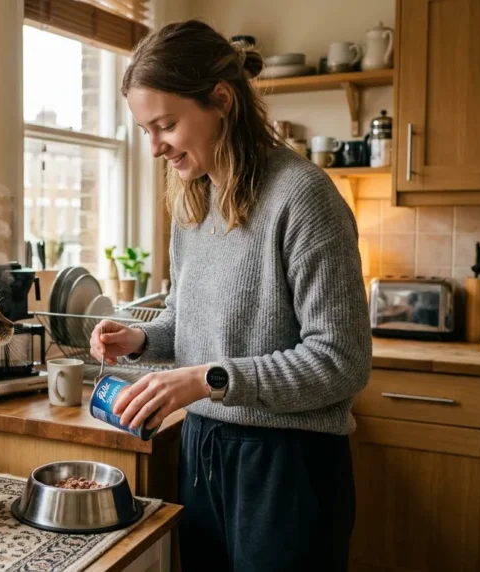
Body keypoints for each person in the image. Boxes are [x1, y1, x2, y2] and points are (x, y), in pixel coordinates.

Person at [89, 20, 371, 571]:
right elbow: (189, 319)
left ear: (221, 100)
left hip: (288, 468)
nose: (154, 149)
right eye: (146, 130)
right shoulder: (194, 202)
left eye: (165, 125)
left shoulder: (303, 197)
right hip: (204, 451)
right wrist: (143, 338)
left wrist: (209, 379)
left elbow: (343, 363)